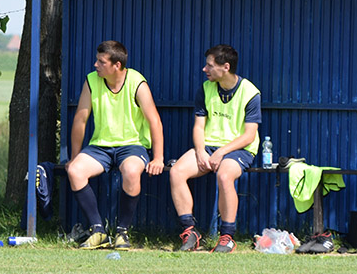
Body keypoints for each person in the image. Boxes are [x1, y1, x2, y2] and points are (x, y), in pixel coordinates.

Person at [65, 40, 164, 250]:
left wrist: (158, 158)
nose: (96, 65)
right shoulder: (91, 81)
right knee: (75, 171)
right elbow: (80, 120)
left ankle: (122, 232)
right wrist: (74, 157)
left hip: (132, 146)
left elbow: (154, 121)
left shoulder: (137, 82)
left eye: (101, 62)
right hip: (100, 147)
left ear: (117, 65)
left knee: (131, 171)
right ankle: (98, 231)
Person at [169, 44, 261, 253]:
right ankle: (190, 232)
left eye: (210, 65)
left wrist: (221, 152)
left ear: (225, 67)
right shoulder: (205, 89)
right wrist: (200, 151)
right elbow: (198, 127)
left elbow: (249, 135)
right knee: (176, 172)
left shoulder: (250, 92)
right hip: (208, 146)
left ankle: (227, 237)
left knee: (224, 175)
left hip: (239, 149)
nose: (205, 69)